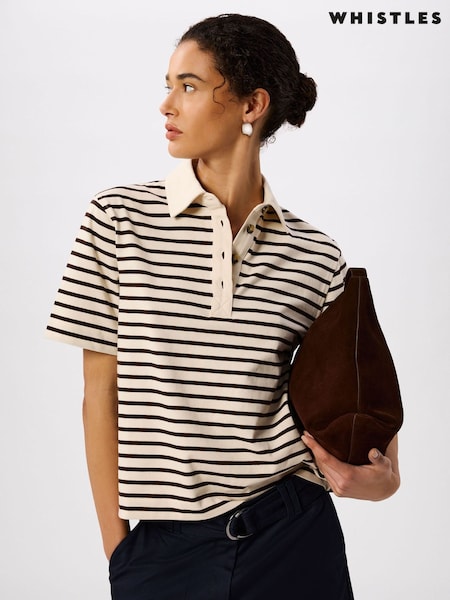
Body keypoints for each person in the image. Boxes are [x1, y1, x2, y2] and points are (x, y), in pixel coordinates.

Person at [46, 13, 400, 599]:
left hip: (294, 535)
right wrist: (120, 552)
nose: (166, 105)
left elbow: (366, 407)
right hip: (163, 552)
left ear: (251, 105)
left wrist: (380, 481)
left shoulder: (316, 255)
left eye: (188, 86)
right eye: (168, 85)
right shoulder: (117, 221)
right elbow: (99, 396)